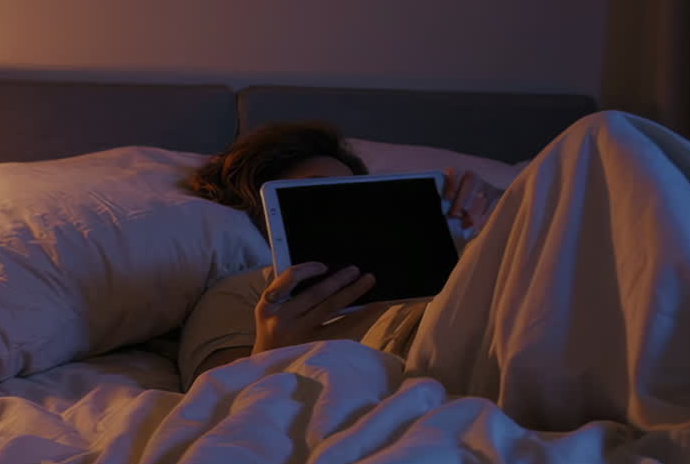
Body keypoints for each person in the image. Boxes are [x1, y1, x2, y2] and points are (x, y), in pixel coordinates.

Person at [178, 122, 503, 389]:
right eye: (318, 196)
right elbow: (218, 406)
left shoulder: (422, 260)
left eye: (350, 194)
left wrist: (507, 210)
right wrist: (274, 348)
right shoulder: (243, 291)